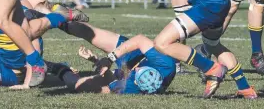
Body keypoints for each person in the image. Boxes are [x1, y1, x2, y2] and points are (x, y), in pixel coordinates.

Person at [47, 21, 175, 94]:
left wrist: (96, 62)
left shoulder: (130, 88)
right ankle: (53, 18)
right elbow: (140, 40)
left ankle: (54, 67)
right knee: (89, 33)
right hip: (134, 54)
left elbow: (110, 82)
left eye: (136, 73)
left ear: (137, 84)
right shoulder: (167, 65)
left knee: (76, 85)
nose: (136, 69)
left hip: (124, 71)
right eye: (141, 69)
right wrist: (109, 59)